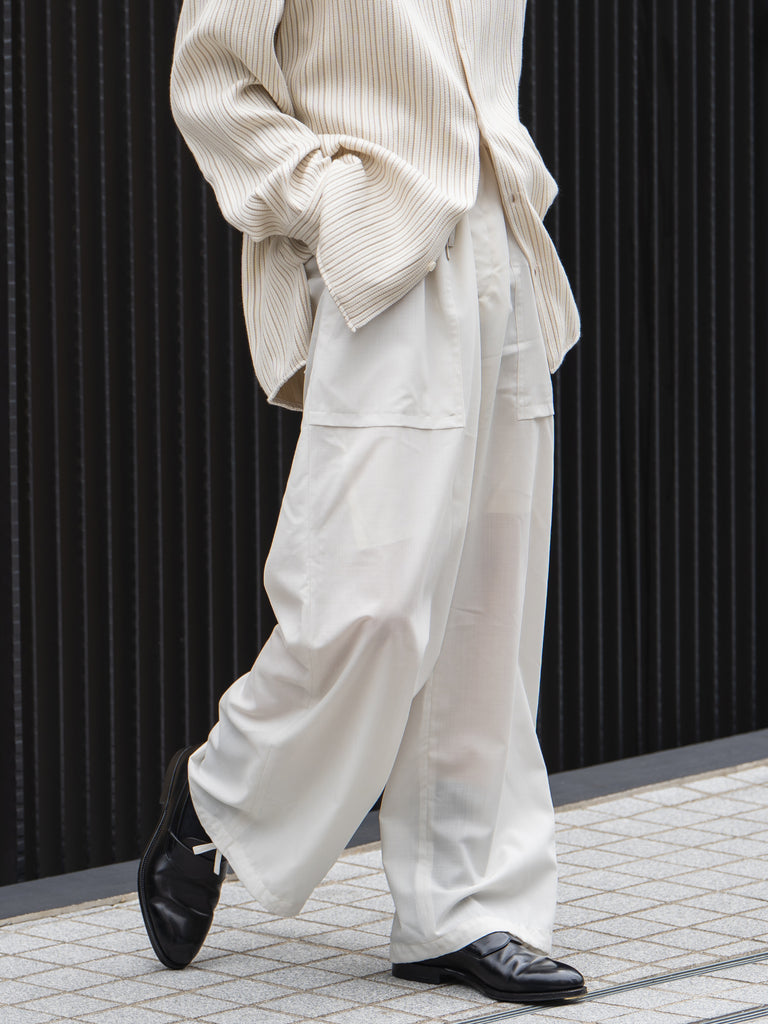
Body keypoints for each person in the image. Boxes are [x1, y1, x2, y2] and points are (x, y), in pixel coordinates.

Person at [137, 0, 586, 1005]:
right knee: (367, 601)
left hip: (501, 236)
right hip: (383, 245)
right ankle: (219, 791)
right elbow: (211, 78)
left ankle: (462, 908)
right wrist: (329, 199)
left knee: (486, 613)